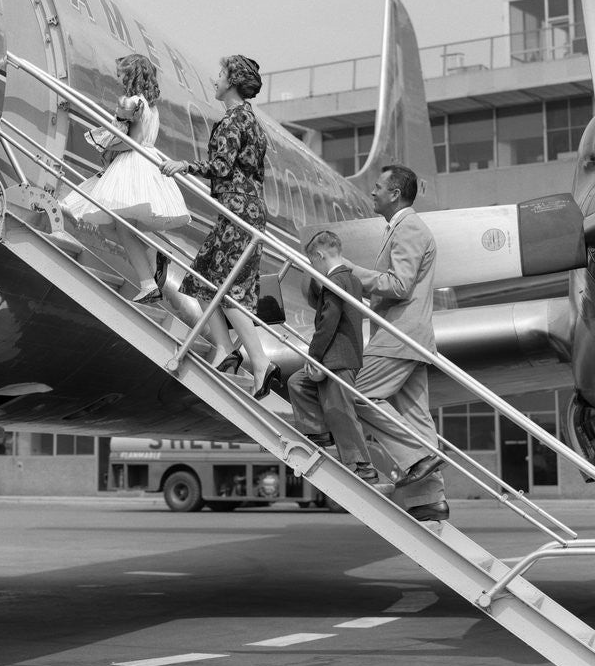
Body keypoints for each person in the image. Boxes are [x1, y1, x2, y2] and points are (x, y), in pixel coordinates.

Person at [162, 55, 279, 400]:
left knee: (227, 289)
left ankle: (260, 363)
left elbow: (221, 166)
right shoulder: (253, 123)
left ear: (231, 81)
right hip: (244, 210)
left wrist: (185, 165)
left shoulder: (233, 121)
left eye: (220, 75)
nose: (215, 80)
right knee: (202, 279)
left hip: (237, 211)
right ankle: (226, 349)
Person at [345, 164, 449, 523]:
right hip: (409, 337)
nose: (371, 192)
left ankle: (417, 458)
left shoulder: (410, 228)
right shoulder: (404, 228)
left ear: (394, 194)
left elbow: (400, 284)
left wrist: (349, 272)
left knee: (354, 394)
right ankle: (430, 499)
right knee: (414, 416)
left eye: (377, 187)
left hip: (399, 336)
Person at [61, 54, 190, 303]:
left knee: (117, 223)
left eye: (121, 72)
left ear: (131, 74)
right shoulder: (151, 107)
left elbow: (134, 142)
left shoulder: (133, 102)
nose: (118, 77)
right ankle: (151, 257)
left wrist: (106, 146)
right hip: (146, 162)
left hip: (133, 162)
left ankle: (147, 282)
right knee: (114, 225)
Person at [288, 230, 394, 495]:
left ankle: (362, 465)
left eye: (313, 263)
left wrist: (313, 356)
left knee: (341, 411)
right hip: (344, 355)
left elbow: (328, 320)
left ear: (320, 255)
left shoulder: (334, 281)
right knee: (297, 383)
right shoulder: (353, 279)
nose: (314, 270)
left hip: (337, 357)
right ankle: (319, 432)